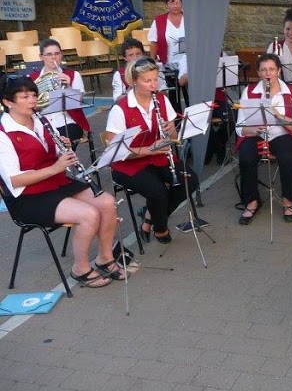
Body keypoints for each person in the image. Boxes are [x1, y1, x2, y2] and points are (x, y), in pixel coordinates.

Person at [0, 77, 124, 288]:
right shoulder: (4, 134)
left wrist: (61, 147)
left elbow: (52, 153)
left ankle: (105, 257)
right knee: (89, 214)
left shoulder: (40, 119)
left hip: (56, 183)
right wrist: (56, 167)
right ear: (7, 102)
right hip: (27, 197)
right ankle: (81, 268)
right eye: (25, 97)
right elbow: (14, 179)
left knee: (107, 202)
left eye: (33, 95)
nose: (32, 101)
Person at [105, 57, 199, 244]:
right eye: (147, 81)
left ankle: (150, 217)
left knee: (190, 181)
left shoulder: (162, 100)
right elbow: (113, 149)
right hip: (128, 163)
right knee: (158, 192)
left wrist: (169, 129)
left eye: (155, 79)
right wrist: (148, 150)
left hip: (159, 156)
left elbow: (172, 134)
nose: (153, 84)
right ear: (134, 82)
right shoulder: (120, 108)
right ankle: (160, 228)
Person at [235, 53, 292, 225]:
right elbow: (240, 127)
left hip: (282, 134)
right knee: (246, 156)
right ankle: (252, 201)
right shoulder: (250, 91)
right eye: (263, 70)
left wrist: (275, 114)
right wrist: (254, 129)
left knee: (288, 157)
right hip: (257, 134)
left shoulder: (291, 91)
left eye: (272, 69)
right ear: (259, 73)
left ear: (279, 71)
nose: (268, 74)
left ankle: (288, 200)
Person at [30, 38, 90, 146]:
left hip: (68, 121)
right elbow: (30, 106)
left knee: (62, 143)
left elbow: (78, 102)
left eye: (57, 53)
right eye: (49, 54)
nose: (53, 57)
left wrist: (68, 87)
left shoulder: (73, 75)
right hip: (41, 123)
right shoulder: (32, 78)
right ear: (41, 57)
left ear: (61, 55)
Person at [149, 0, 188, 107]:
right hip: (169, 62)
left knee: (190, 94)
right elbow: (153, 42)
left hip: (188, 61)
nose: (175, 6)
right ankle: (175, 121)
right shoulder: (159, 20)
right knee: (173, 96)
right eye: (172, 3)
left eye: (178, 3)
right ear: (166, 5)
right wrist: (152, 61)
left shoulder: (189, 18)